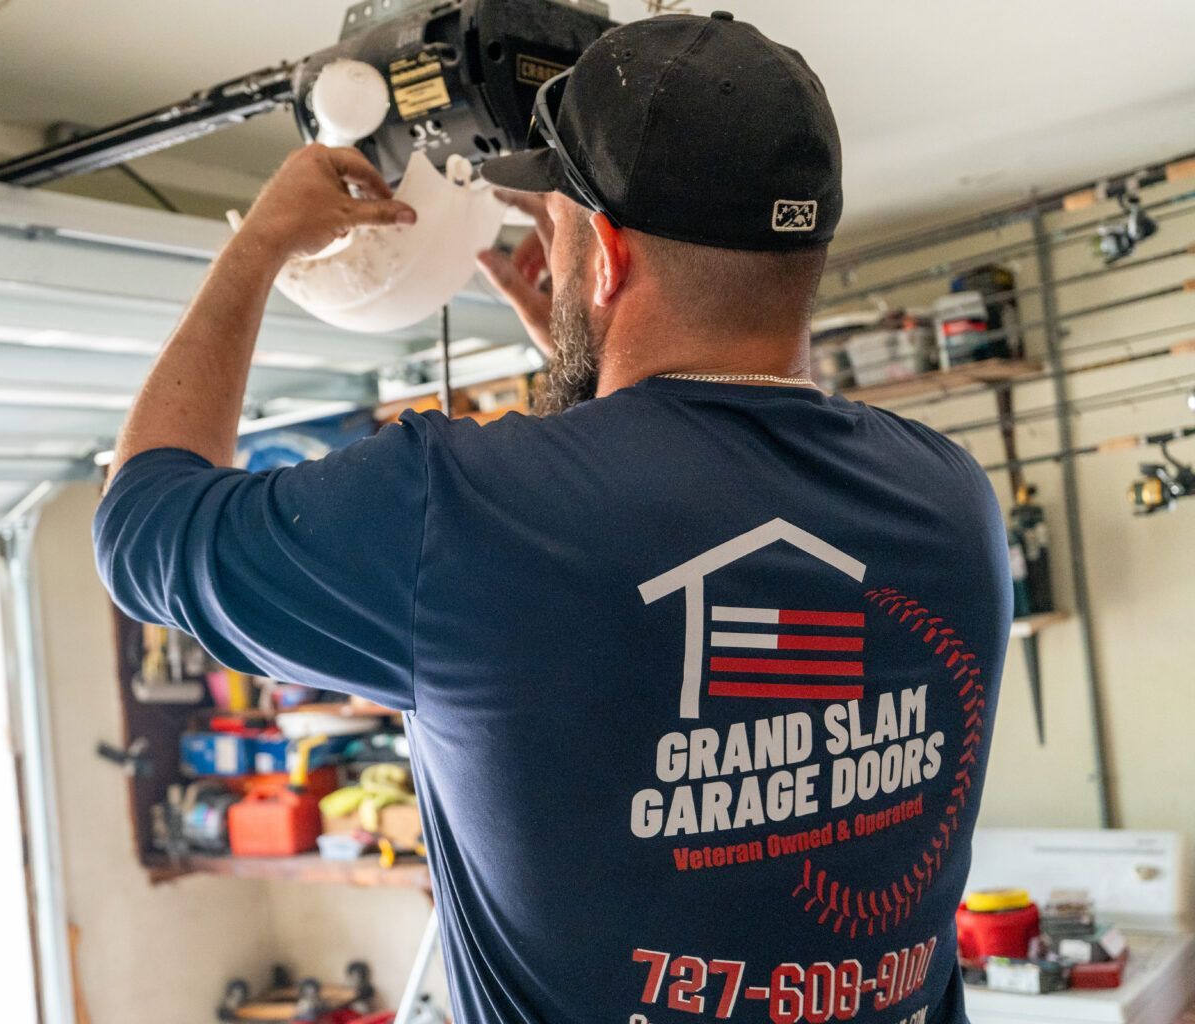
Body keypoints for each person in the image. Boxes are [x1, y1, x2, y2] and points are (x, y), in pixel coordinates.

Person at [94, 12, 1009, 1024]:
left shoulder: (462, 512)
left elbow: (140, 525)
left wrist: (260, 244)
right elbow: (709, 502)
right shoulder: (954, 502)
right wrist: (595, 393)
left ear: (607, 258)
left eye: (562, 223)